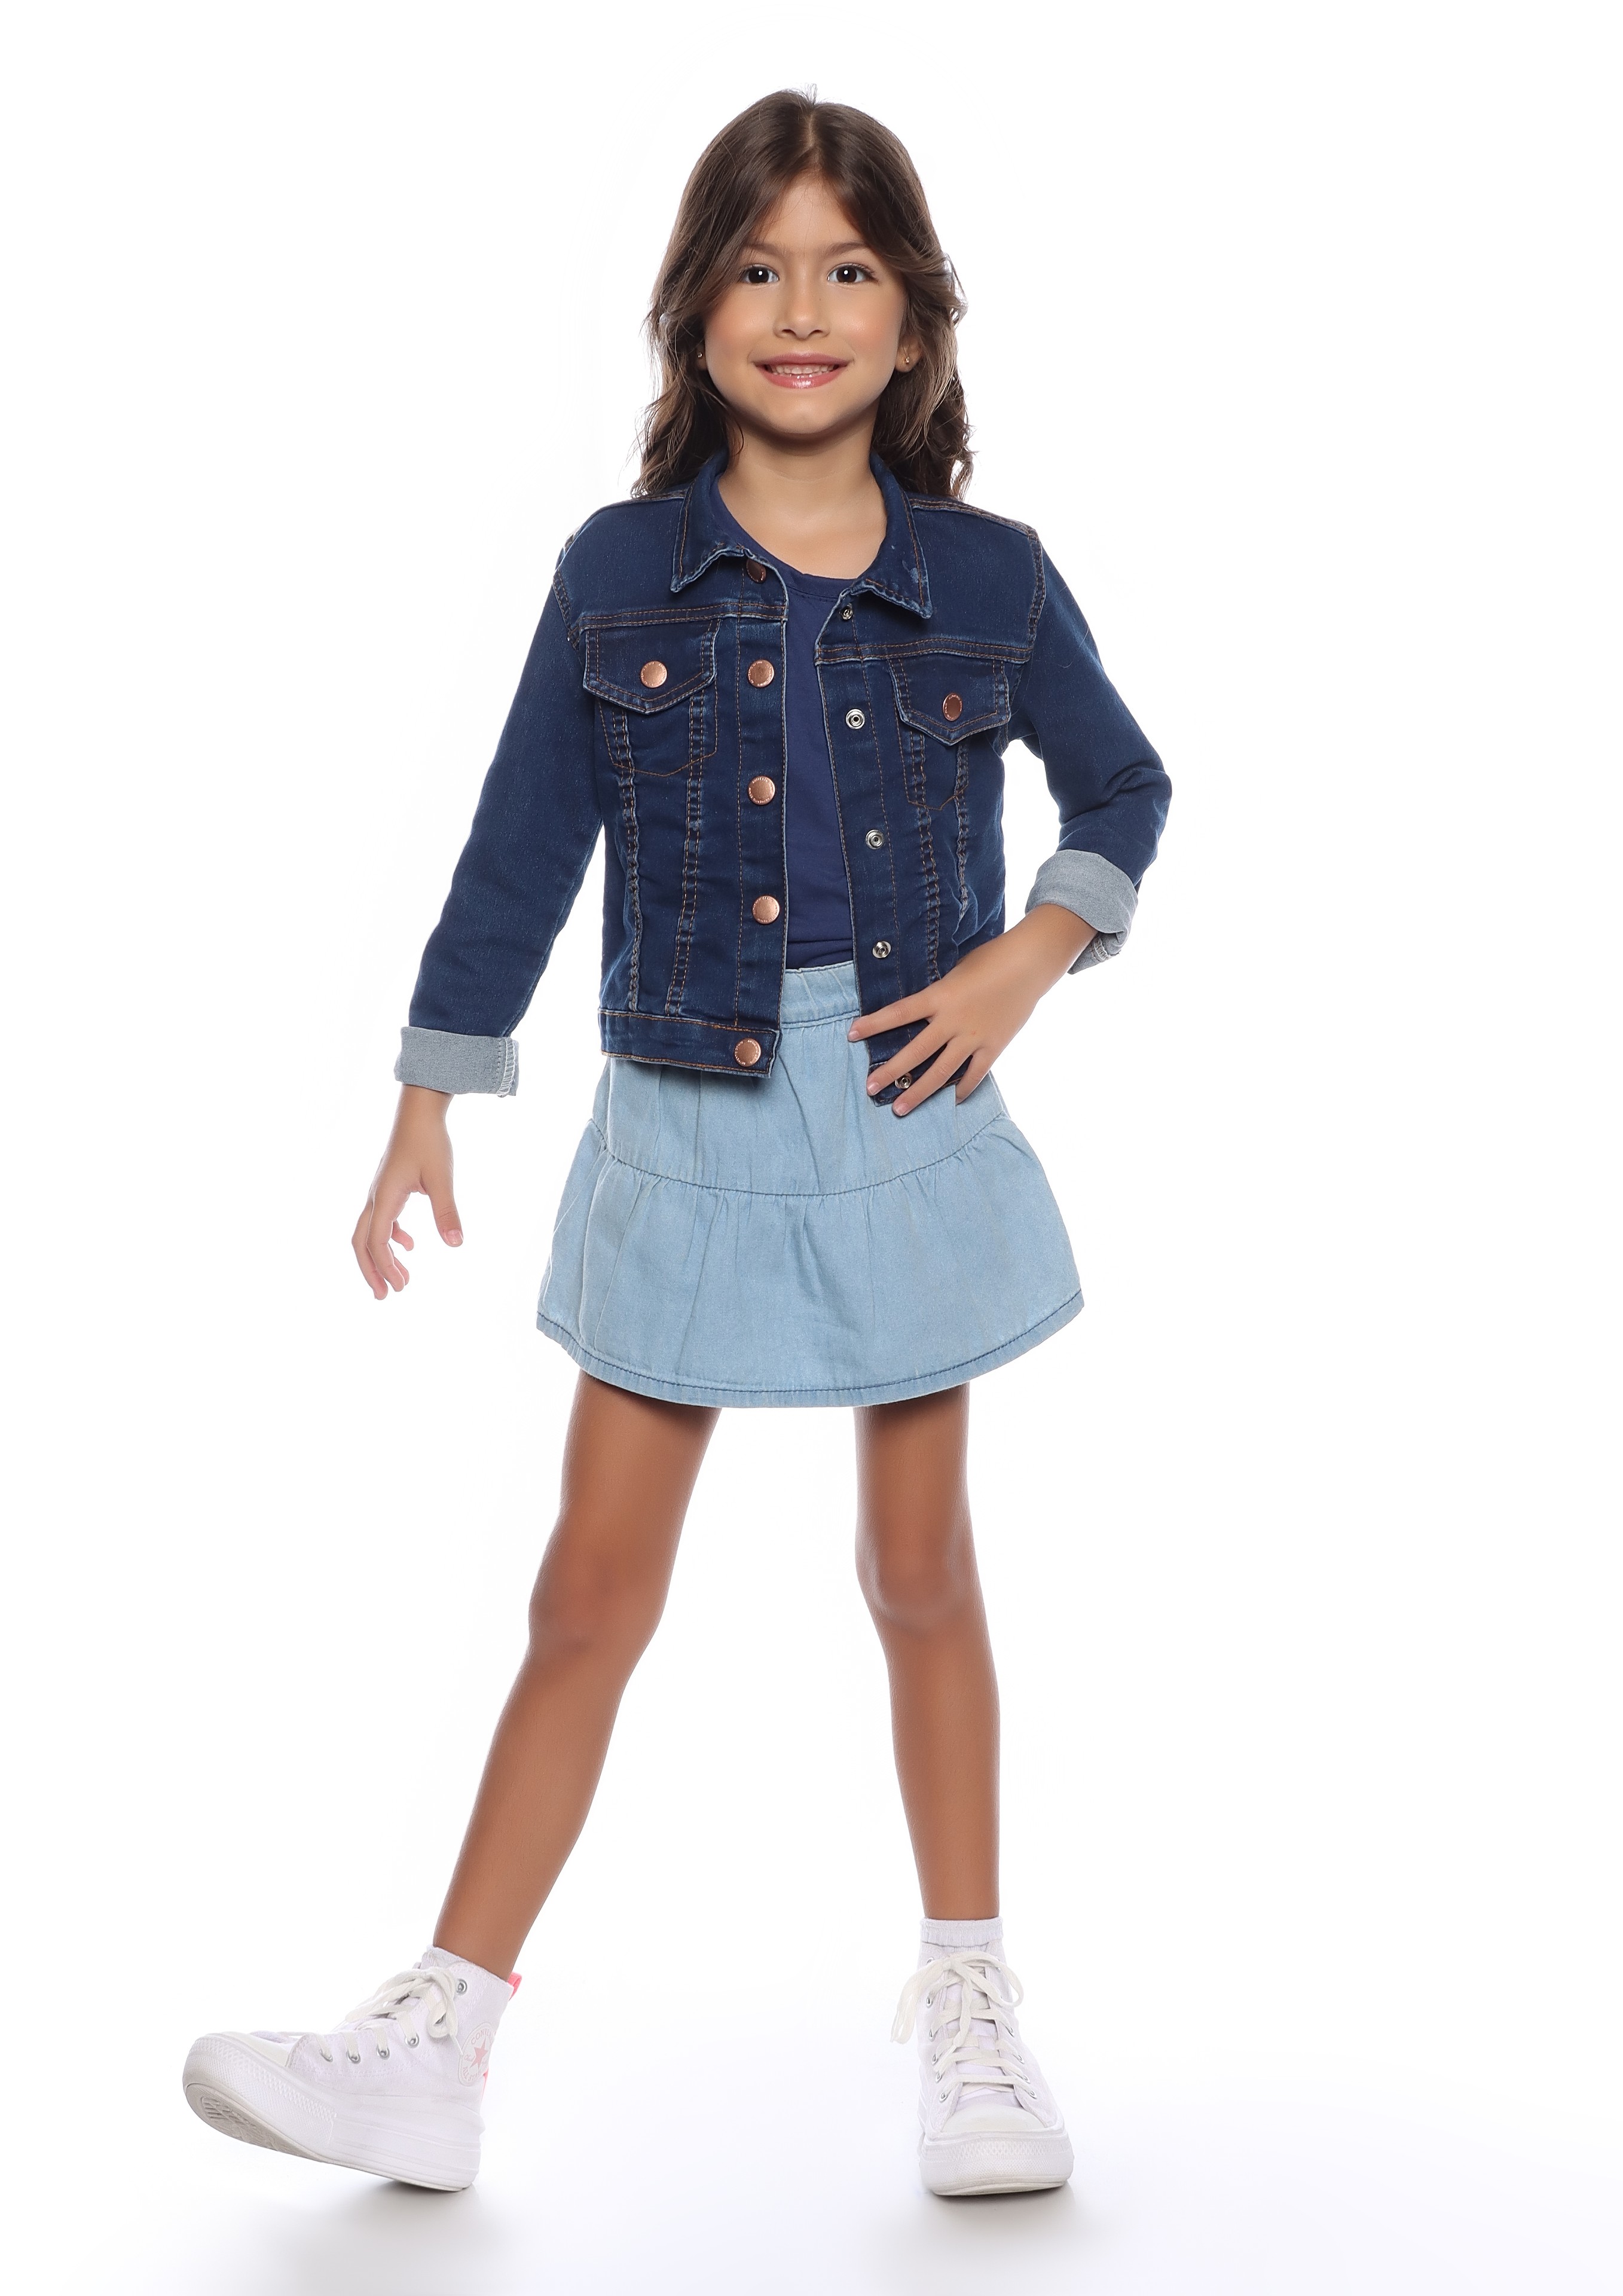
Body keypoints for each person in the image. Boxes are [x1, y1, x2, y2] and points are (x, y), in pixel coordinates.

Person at [182, 89, 1170, 2202]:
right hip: (684, 1112)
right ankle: (439, 2037)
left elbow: (1122, 790)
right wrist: (430, 1091)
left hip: (902, 1106)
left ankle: (973, 2014)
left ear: (913, 322)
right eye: (756, 266)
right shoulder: (618, 570)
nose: (800, 309)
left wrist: (1027, 959)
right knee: (585, 1592)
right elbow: (521, 842)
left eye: (846, 269)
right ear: (692, 309)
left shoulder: (990, 576)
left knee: (919, 1573)